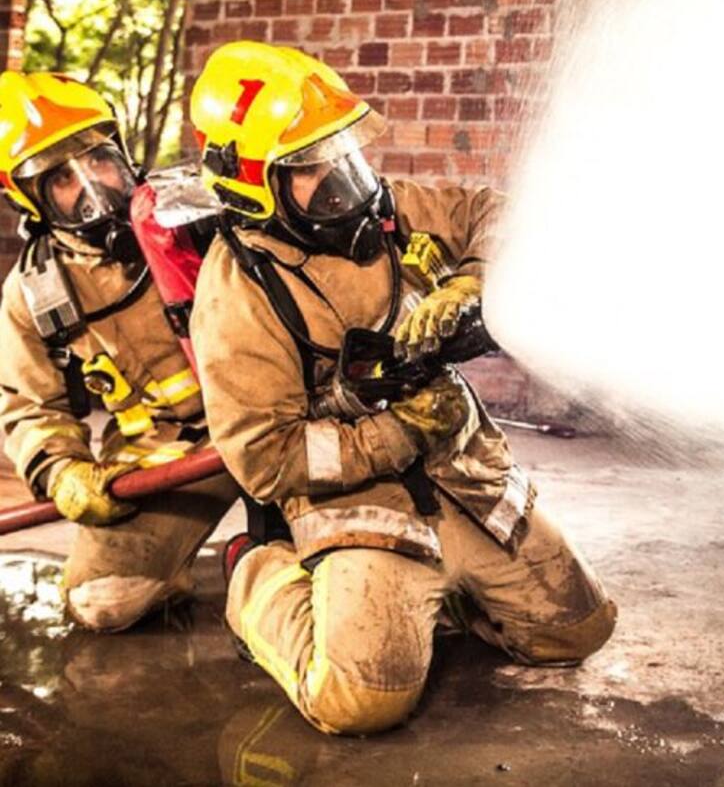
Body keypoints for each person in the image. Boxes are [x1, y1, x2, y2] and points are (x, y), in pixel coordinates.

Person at [188, 41, 616, 736]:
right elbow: (264, 460)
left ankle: (452, 595)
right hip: (364, 506)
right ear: (253, 185)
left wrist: (475, 276)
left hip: (464, 479)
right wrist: (400, 432)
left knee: (578, 629)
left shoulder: (381, 211)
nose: (342, 179)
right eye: (310, 168)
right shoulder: (238, 291)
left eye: (342, 152)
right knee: (362, 700)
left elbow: (490, 210)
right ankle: (256, 576)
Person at [0, 71, 240, 630]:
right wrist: (63, 474)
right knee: (101, 602)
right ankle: (209, 561)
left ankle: (273, 559)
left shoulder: (197, 214)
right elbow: (30, 407)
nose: (92, 187)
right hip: (172, 459)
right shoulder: (36, 293)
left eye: (99, 160)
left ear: (124, 155)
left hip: (269, 423)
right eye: (61, 179)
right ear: (27, 198)